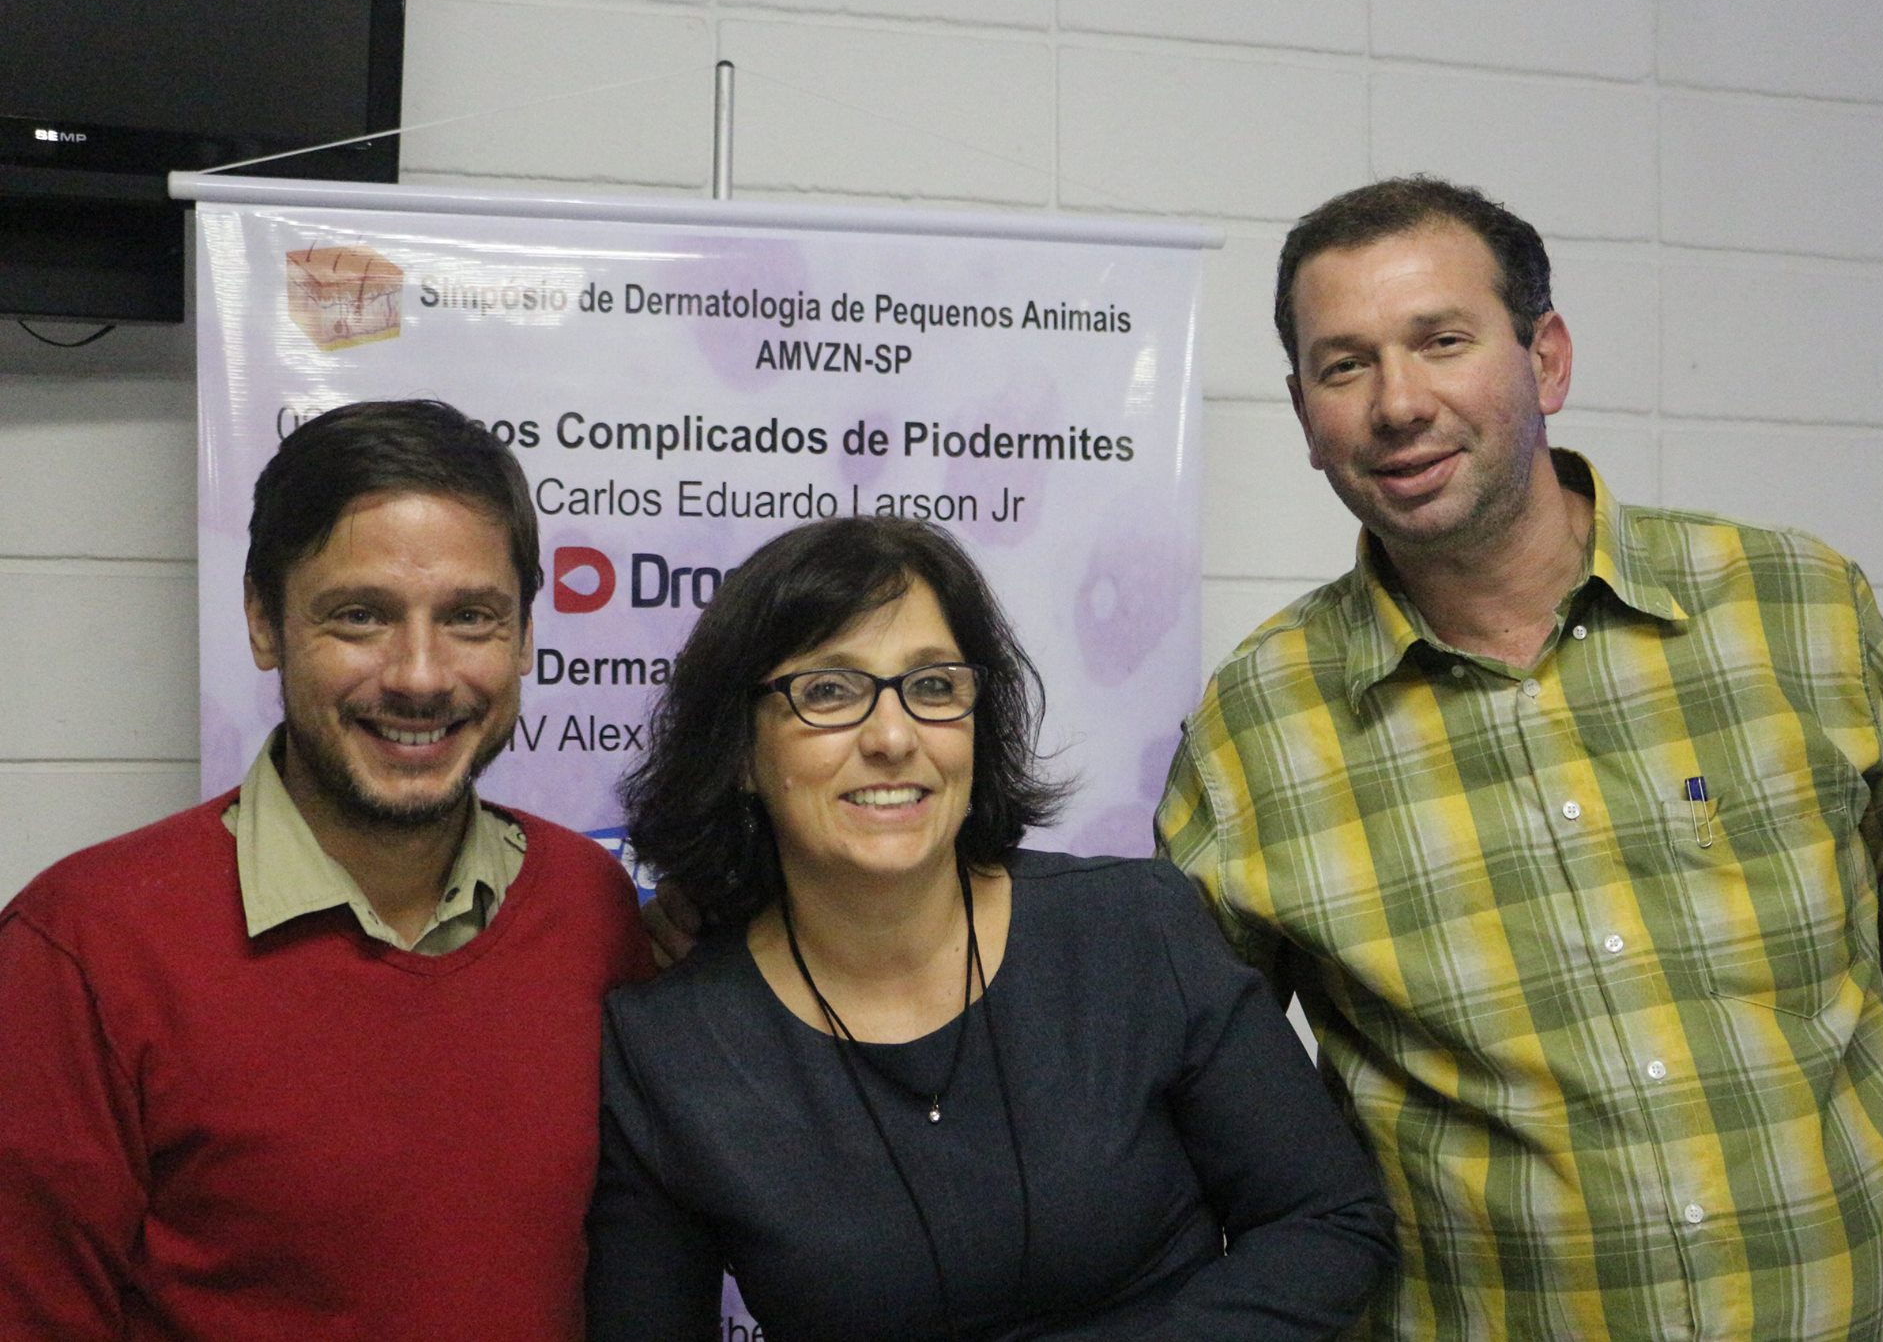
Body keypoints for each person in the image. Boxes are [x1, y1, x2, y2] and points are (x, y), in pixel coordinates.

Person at [1156, 176, 1883, 1340]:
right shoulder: (1256, 728)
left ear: (1546, 360)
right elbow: (1184, 1116)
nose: (1397, 402)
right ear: (1302, 411)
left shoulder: (1794, 607)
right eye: (1343, 365)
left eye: (1440, 341)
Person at [588, 515, 1397, 1341]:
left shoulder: (1134, 927)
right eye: (829, 691)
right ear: (739, 752)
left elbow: (1328, 1219)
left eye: (934, 686)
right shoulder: (669, 1050)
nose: (893, 736)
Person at [0, 400, 652, 1340]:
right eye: (360, 616)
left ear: (523, 636)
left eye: (470, 617)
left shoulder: (590, 907)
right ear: (263, 622)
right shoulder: (84, 948)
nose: (420, 675)